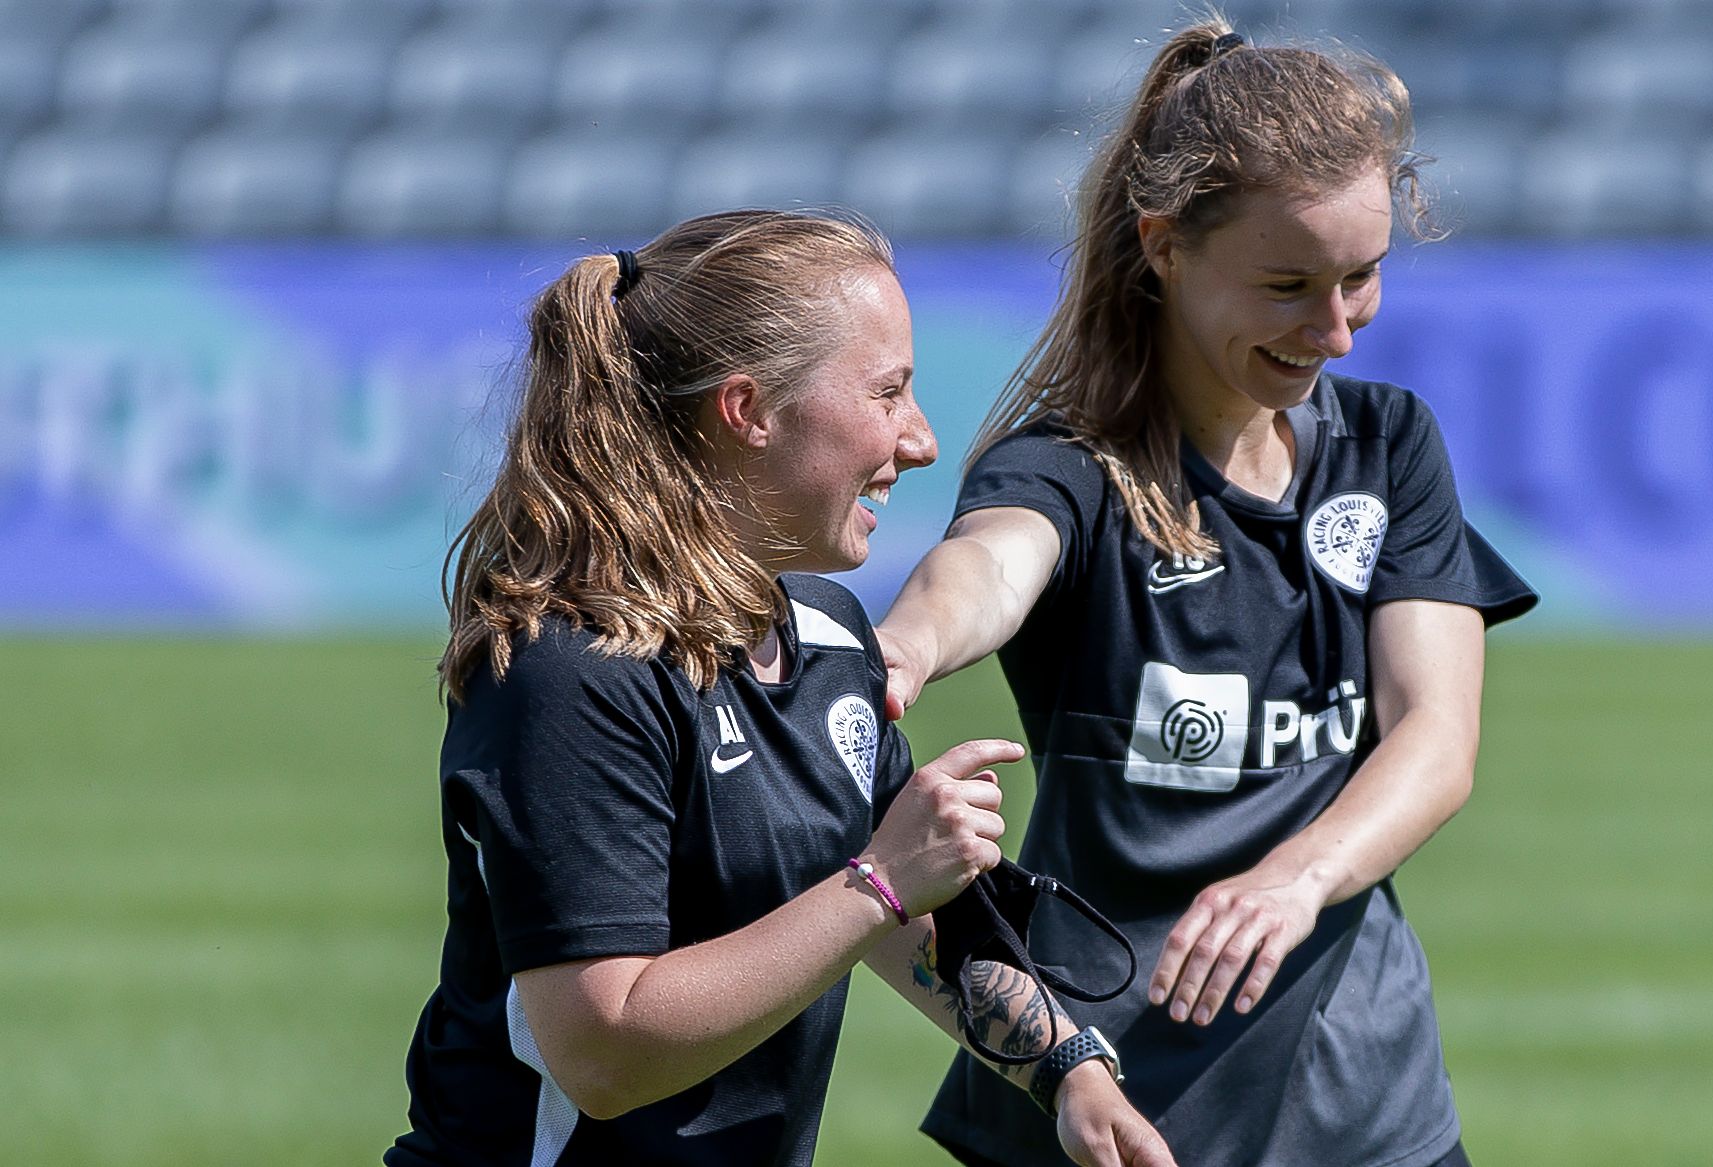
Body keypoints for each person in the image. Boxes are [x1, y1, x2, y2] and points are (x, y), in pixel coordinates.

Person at [876, 21, 1538, 1167]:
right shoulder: (1067, 469)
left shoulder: (1387, 448)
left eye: (1361, 278)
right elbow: (988, 564)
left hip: (1364, 1106)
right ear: (1164, 247)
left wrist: (1296, 878)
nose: (1332, 331)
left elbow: (1435, 736)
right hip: (1094, 1097)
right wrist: (905, 644)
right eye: (1286, 285)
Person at [384, 210, 1175, 1167]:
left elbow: (910, 920)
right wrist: (878, 881)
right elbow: (602, 1049)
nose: (921, 440)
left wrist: (1071, 1071)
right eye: (887, 392)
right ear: (748, 410)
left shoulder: (829, 631)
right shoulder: (571, 670)